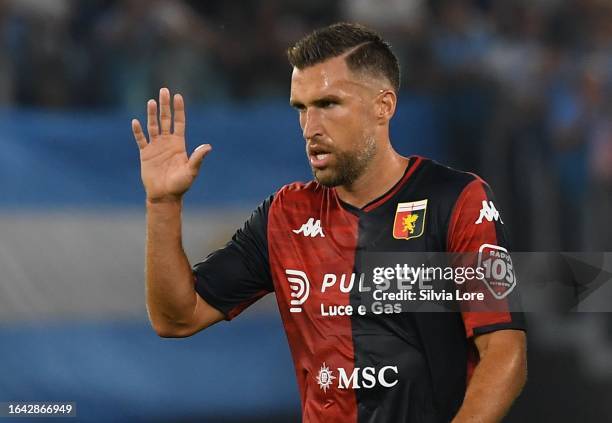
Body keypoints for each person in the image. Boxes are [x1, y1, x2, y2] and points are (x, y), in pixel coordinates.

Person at [131, 22, 526, 423]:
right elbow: (176, 317)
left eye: (328, 104)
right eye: (301, 108)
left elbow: (505, 354)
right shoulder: (285, 215)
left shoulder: (455, 199)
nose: (310, 128)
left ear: (383, 105)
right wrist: (162, 203)